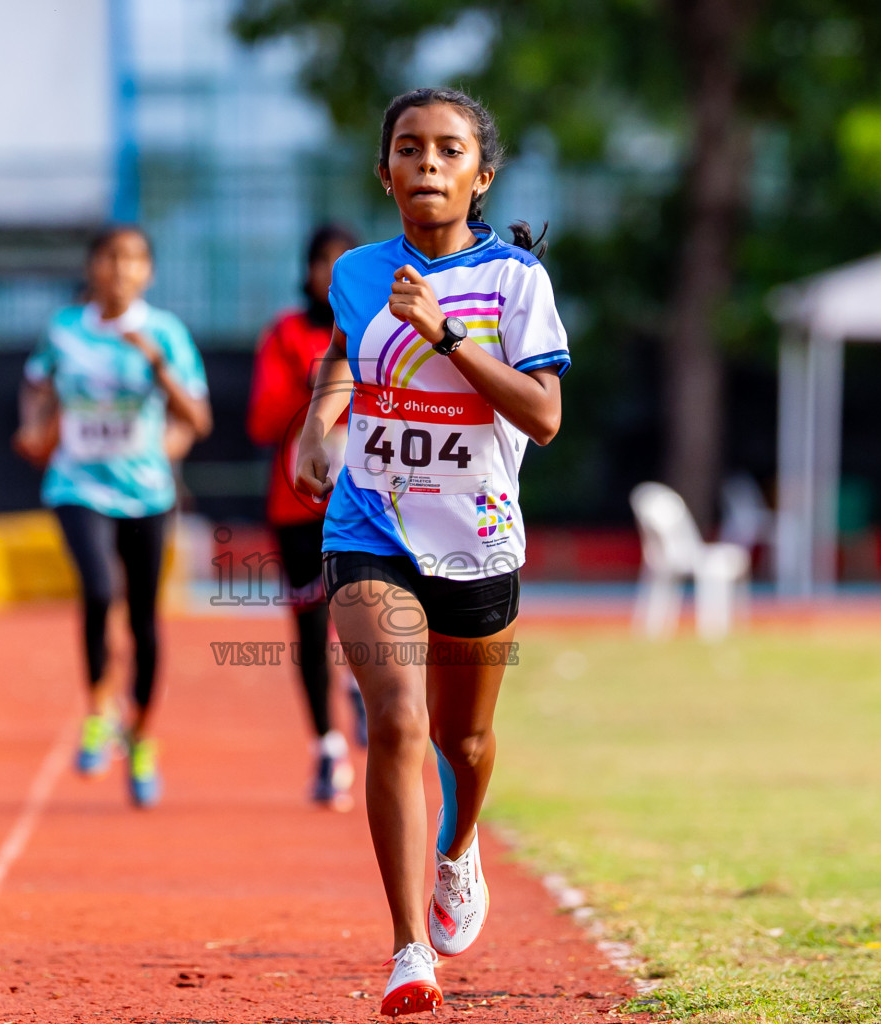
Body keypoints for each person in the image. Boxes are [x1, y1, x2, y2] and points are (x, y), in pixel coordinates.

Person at [292, 88, 569, 1017]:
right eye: (409, 149)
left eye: (449, 151)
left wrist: (443, 333)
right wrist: (318, 427)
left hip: (480, 540)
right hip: (370, 524)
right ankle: (410, 951)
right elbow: (343, 352)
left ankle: (459, 849)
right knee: (398, 721)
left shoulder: (517, 283)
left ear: (479, 176)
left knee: (466, 739)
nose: (427, 164)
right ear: (384, 173)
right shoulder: (359, 272)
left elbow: (542, 415)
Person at [13, 225, 212, 808]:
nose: (120, 270)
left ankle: (143, 735)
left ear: (147, 272)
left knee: (146, 618)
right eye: (110, 258)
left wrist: (158, 368)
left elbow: (197, 418)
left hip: (146, 491)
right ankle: (100, 707)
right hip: (77, 483)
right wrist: (34, 426)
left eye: (132, 260)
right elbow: (34, 382)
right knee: (99, 592)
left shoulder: (166, 333)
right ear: (93, 267)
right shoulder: (65, 330)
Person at [247, 223, 369, 810]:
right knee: (310, 628)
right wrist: (317, 384)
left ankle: (364, 687)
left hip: (371, 501)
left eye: (344, 260)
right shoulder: (287, 334)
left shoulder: (381, 325)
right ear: (309, 269)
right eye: (324, 261)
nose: (332, 272)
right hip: (297, 506)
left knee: (370, 612)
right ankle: (326, 747)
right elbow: (263, 421)